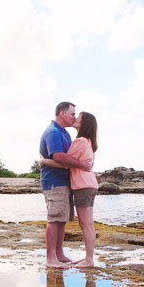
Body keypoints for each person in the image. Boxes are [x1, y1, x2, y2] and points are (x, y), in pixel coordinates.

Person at [41, 111, 98, 268]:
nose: (75, 118)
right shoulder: (89, 141)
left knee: (85, 224)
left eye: (78, 117)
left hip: (82, 185)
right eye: (74, 114)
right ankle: (88, 257)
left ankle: (89, 259)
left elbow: (65, 161)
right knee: (88, 224)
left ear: (84, 123)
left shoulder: (80, 141)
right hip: (89, 185)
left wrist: (44, 161)